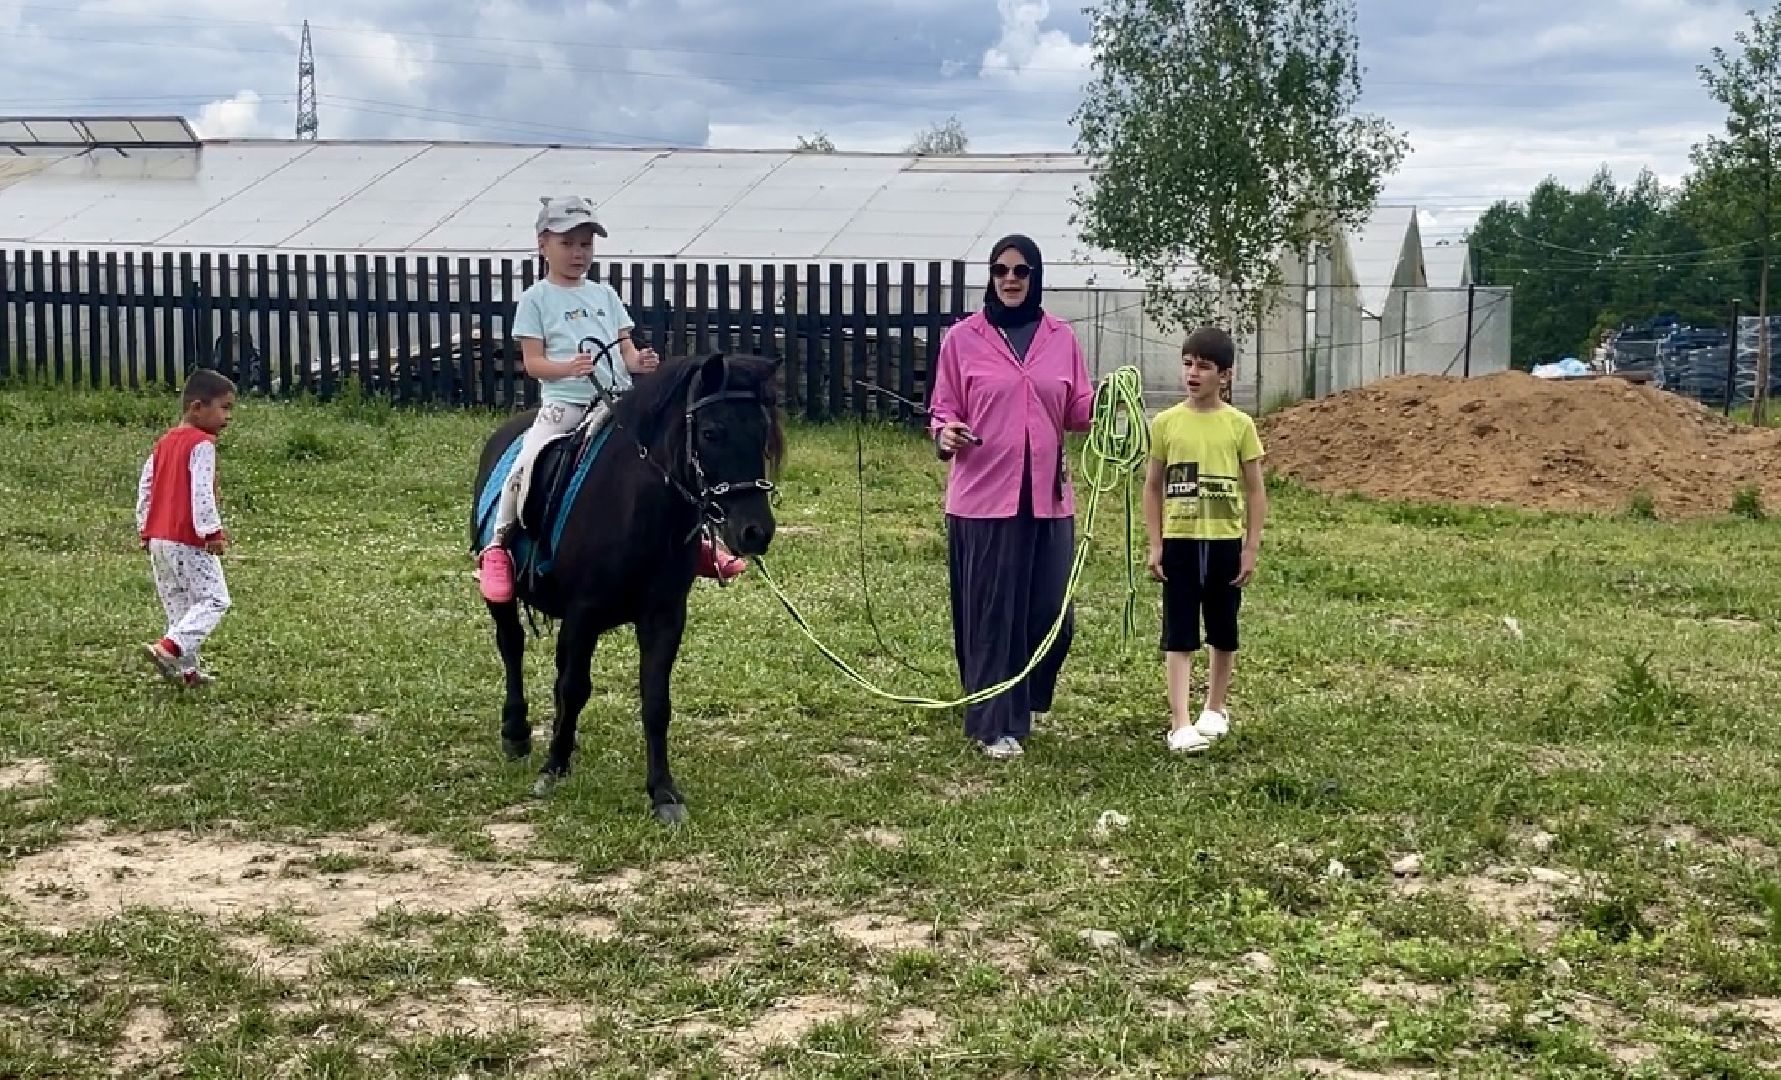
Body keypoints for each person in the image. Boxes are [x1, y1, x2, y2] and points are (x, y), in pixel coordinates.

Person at [475, 195, 744, 603]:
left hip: (618, 404)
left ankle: (693, 543)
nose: (577, 253)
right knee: (527, 464)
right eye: (567, 244)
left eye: (585, 244)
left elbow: (626, 352)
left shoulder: (605, 295)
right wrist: (568, 368)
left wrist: (642, 361)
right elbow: (533, 364)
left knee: (668, 464)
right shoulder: (536, 300)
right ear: (543, 244)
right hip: (564, 405)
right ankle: (499, 544)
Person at [928, 234, 1096, 759]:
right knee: (993, 614)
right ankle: (992, 723)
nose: (1010, 279)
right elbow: (942, 410)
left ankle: (1022, 701)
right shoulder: (963, 338)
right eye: (1001, 270)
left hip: (1048, 498)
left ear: (1036, 276)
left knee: (1052, 614)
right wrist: (946, 433)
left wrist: (1113, 408)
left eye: (1021, 271)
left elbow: (1078, 410)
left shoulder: (1060, 338)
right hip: (983, 499)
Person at [1142, 327, 1268, 753]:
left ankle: (1215, 708)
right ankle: (1179, 723)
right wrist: (1155, 542)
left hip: (1224, 543)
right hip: (1179, 541)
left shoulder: (1240, 426)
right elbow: (1153, 486)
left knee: (1222, 628)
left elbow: (1254, 490)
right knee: (1178, 631)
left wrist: (1250, 547)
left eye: (1204, 366)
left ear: (1225, 376)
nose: (1193, 373)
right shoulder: (1164, 423)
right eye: (1188, 364)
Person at [138, 368, 237, 688]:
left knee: (180, 607)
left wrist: (144, 527)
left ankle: (186, 672)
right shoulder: (202, 444)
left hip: (159, 540)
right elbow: (201, 492)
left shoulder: (165, 442)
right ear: (197, 407)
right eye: (223, 407)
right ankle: (168, 649)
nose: (228, 416)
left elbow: (146, 486)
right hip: (187, 539)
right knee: (214, 600)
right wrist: (212, 532)